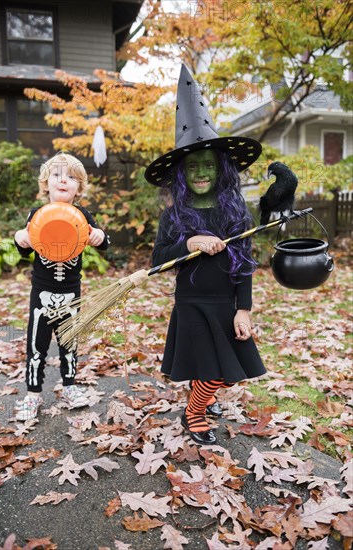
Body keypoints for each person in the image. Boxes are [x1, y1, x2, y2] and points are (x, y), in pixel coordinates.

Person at [146, 65, 266, 445]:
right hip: (192, 304)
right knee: (213, 369)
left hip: (225, 303)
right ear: (181, 174)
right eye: (192, 166)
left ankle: (202, 398)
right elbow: (156, 260)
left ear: (221, 169)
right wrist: (189, 244)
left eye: (208, 165)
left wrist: (243, 308)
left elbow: (244, 266)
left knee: (228, 370)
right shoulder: (174, 215)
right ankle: (194, 411)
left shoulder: (235, 213)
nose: (200, 172)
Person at [14, 152, 110, 421]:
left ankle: (70, 387)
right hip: (41, 295)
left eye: (71, 177)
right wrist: (20, 238)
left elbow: (105, 244)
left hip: (70, 294)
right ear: (46, 183)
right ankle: (33, 394)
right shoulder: (37, 214)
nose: (63, 180)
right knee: (36, 346)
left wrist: (100, 236)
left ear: (79, 187)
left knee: (70, 344)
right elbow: (21, 246)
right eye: (57, 175)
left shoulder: (83, 215)